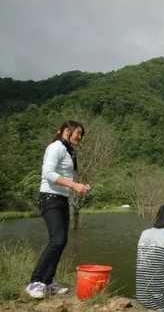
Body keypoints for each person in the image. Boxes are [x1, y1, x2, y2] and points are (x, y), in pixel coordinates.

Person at [25, 120, 90, 299]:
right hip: (49, 198)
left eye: (81, 135)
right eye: (78, 133)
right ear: (67, 131)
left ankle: (47, 281)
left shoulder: (68, 151)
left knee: (62, 241)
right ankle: (35, 281)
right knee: (57, 239)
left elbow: (64, 177)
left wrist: (77, 187)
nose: (80, 137)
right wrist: (74, 185)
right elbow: (48, 173)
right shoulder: (56, 147)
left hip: (61, 199)